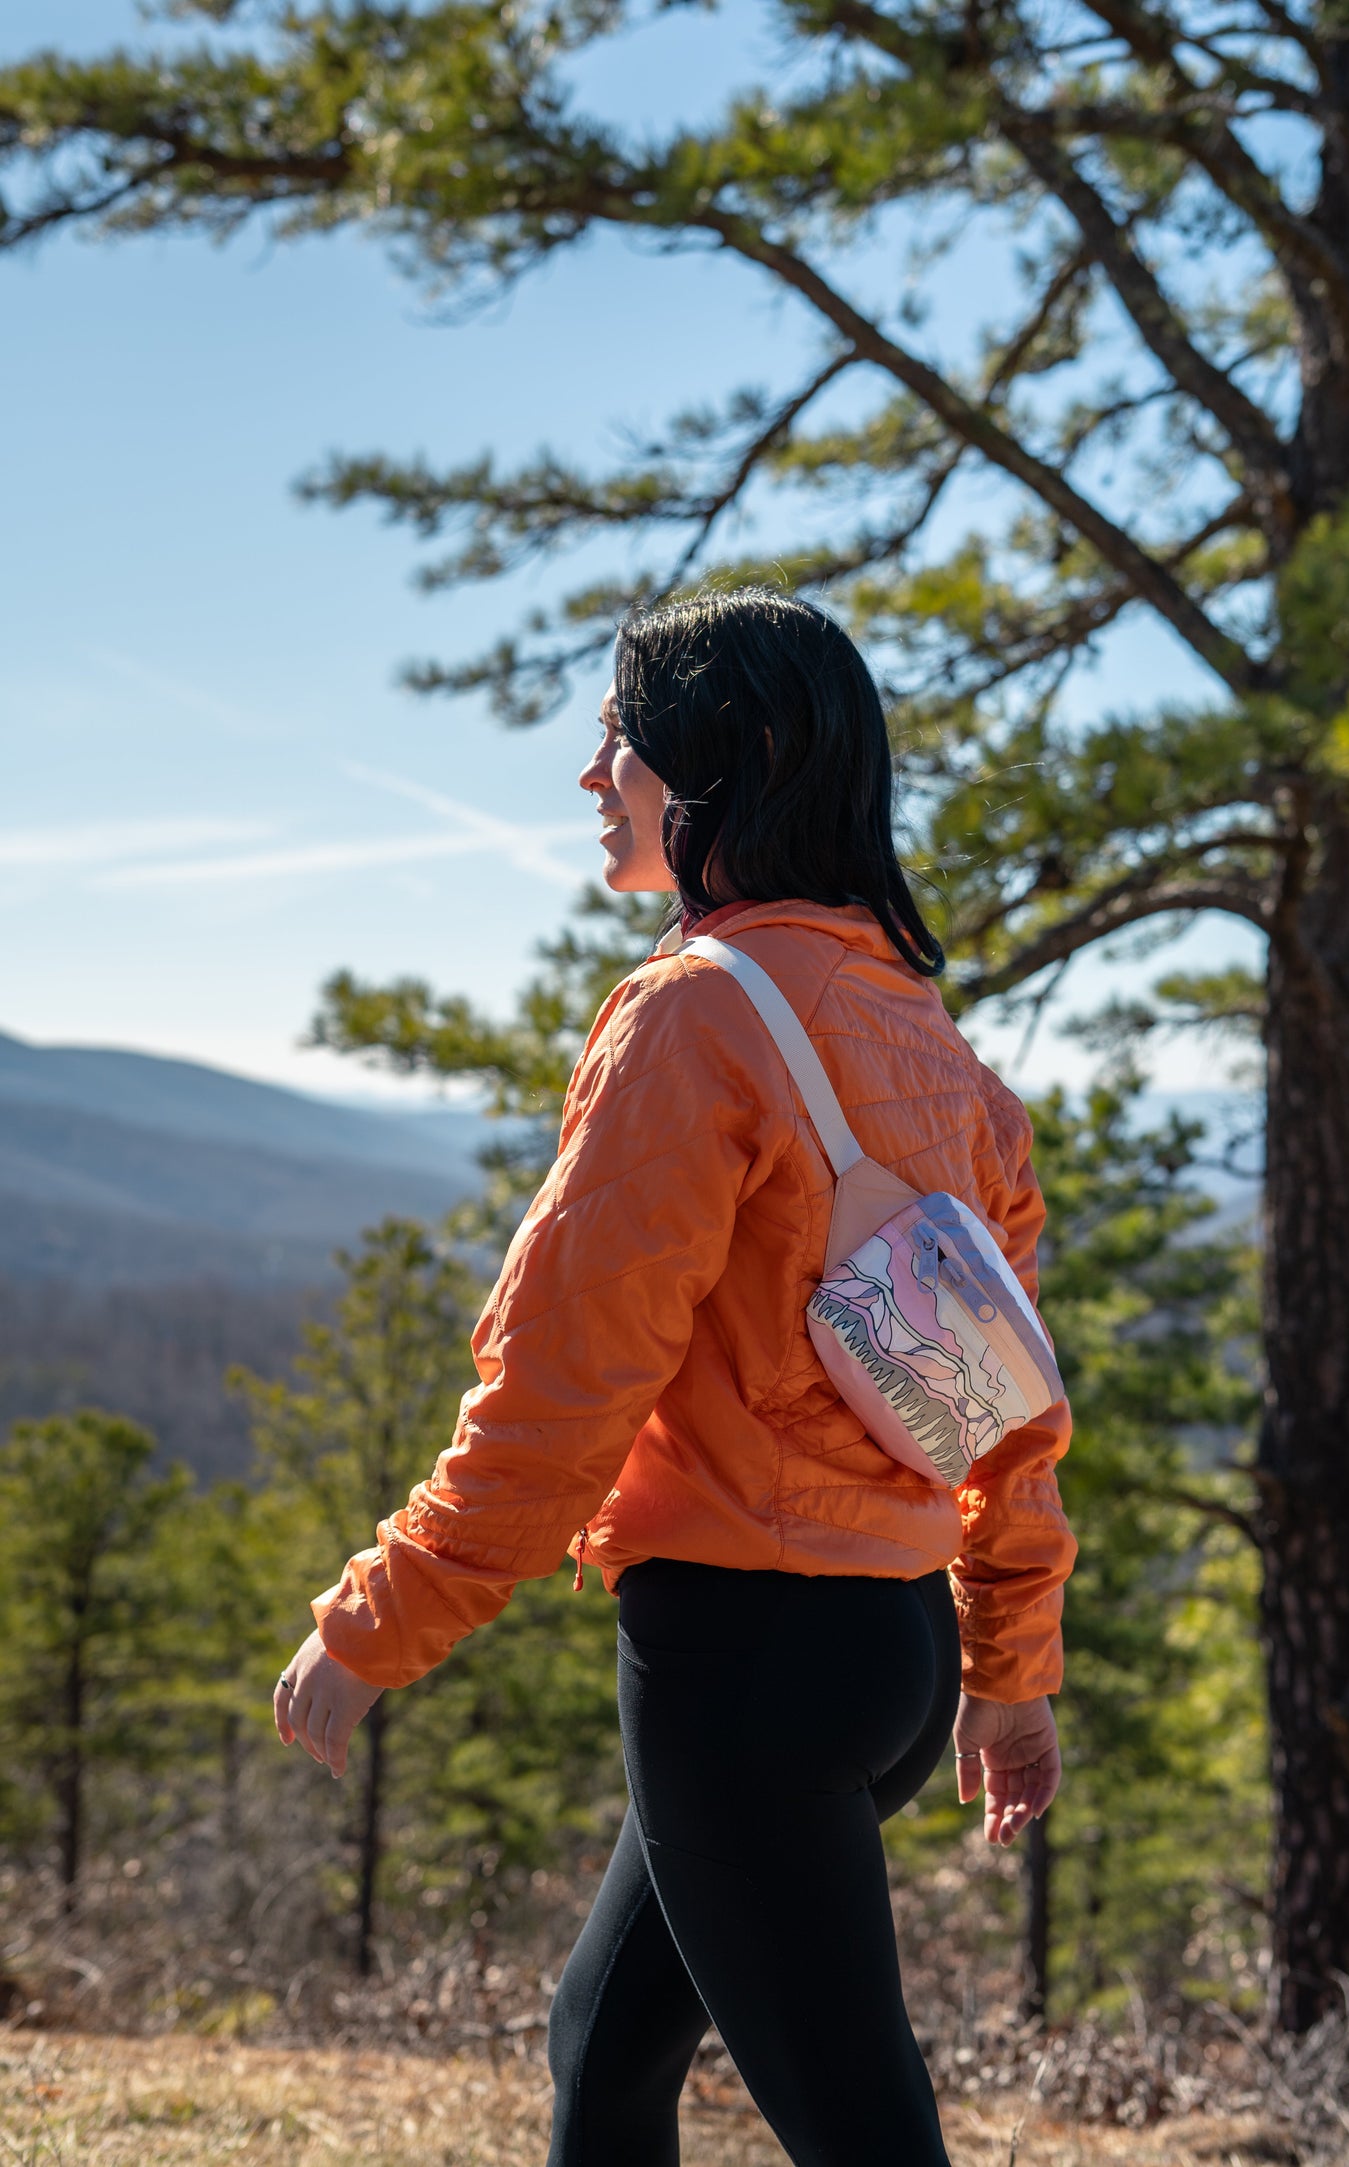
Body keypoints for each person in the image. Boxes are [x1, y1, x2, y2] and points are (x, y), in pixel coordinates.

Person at [273, 586, 1076, 2167]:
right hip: (890, 1645)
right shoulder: (923, 1033)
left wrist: (381, 1619)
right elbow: (1008, 1403)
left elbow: (565, 1378)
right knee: (605, 2048)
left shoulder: (694, 1011)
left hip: (744, 1660)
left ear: (739, 757)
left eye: (620, 743)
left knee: (858, 2128)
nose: (594, 781)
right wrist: (1006, 1666)